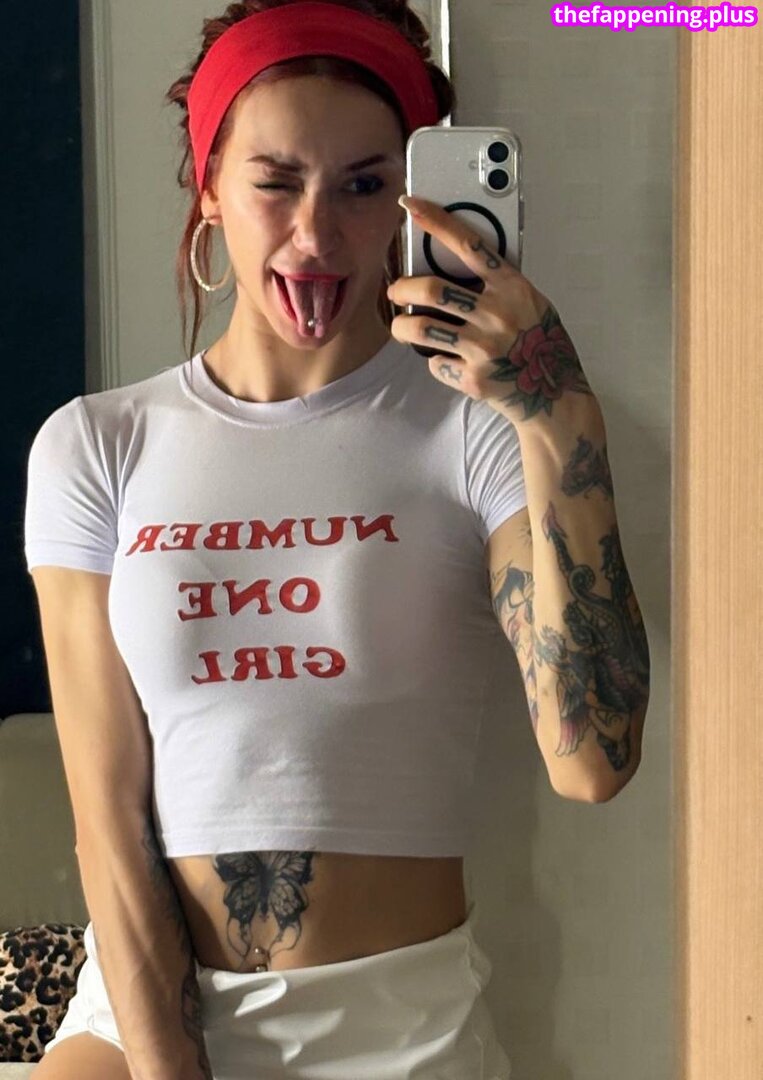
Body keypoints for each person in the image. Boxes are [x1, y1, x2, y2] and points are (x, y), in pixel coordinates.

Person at [25, 1, 535, 1077]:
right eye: (274, 181)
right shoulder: (96, 444)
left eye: (363, 185)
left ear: (408, 200)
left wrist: (558, 409)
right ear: (208, 186)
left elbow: (594, 760)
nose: (315, 233)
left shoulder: (478, 431)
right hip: (144, 1017)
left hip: (400, 1029)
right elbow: (107, 818)